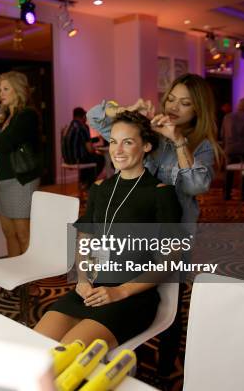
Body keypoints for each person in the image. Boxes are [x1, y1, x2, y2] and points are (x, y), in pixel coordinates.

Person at [87, 73, 223, 376]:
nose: (174, 106)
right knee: (128, 290)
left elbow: (196, 185)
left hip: (172, 234)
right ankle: (125, 349)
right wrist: (124, 109)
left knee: (169, 301)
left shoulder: (200, 146)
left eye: (185, 103)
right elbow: (94, 117)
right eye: (171, 98)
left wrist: (177, 141)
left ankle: (164, 369)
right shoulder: (150, 131)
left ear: (198, 110)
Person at [34, 111, 182, 347]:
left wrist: (121, 291)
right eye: (113, 141)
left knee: (65, 357)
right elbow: (85, 240)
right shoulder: (100, 188)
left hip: (132, 297)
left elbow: (171, 259)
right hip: (92, 288)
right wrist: (82, 280)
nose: (117, 150)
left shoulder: (161, 193)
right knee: (33, 345)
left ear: (146, 146)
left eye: (128, 142)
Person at [0, 71, 42, 257]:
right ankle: (16, 283)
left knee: (23, 235)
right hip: (3, 181)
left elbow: (4, 144)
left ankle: (31, 283)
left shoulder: (26, 115)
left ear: (18, 91)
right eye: (0, 90)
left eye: (6, 89)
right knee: (9, 234)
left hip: (20, 181)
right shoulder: (6, 118)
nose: (1, 94)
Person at [62, 107, 105, 190]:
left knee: (88, 157)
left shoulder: (68, 127)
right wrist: (96, 150)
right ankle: (88, 185)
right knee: (100, 159)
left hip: (67, 160)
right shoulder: (82, 127)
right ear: (83, 116)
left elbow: (80, 142)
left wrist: (95, 141)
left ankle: (83, 182)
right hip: (77, 160)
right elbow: (90, 150)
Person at [221, 98, 244, 200]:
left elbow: (222, 134)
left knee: (228, 172)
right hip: (243, 149)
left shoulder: (227, 117)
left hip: (229, 148)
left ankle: (226, 194)